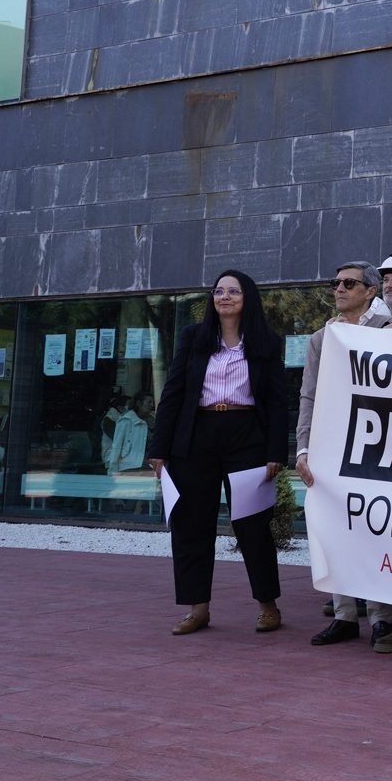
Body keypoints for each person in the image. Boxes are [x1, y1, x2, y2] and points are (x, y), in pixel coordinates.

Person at [148, 270, 288, 636]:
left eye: (233, 291)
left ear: (248, 298)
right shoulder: (194, 338)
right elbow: (173, 394)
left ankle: (268, 606)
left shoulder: (266, 342)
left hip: (247, 438)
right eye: (218, 291)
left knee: (253, 525)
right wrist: (159, 448)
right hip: (195, 436)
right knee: (191, 525)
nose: (224, 296)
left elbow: (276, 401)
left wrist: (276, 450)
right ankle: (198, 609)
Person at [297, 262, 392, 649]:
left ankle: (380, 618)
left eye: (348, 283)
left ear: (370, 291)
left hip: (377, 446)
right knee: (333, 530)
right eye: (336, 283)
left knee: (375, 531)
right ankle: (344, 615)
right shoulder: (320, 339)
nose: (339, 288)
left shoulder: (391, 329)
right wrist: (304, 448)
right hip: (330, 447)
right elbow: (309, 395)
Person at [105, 391, 155, 473]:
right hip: (130, 462)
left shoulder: (152, 420)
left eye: (152, 402)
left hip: (148, 461)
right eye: (149, 402)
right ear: (138, 403)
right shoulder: (127, 420)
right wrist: (113, 468)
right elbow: (117, 444)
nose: (152, 405)